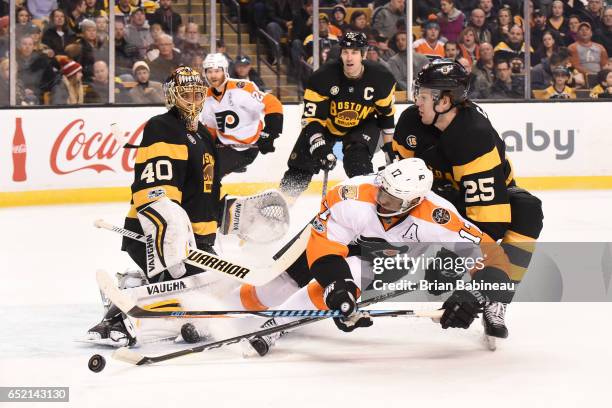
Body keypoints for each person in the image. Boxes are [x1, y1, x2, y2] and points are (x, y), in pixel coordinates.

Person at [242, 158, 514, 357]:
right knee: (302, 285)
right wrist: (337, 284)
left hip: (391, 259)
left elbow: (495, 260)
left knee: (341, 285)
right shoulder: (352, 196)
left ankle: (275, 323)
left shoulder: (439, 219)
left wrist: (473, 295)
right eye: (382, 191)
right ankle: (251, 302)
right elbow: (325, 246)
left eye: (392, 200)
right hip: (345, 241)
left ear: (414, 202)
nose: (382, 201)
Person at [391, 60, 543, 340]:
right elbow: (396, 180)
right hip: (434, 200)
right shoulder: (412, 121)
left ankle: (496, 296)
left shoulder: (474, 135)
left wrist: (456, 265)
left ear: (445, 101)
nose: (416, 101)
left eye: (423, 95)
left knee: (527, 210)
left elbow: (489, 224)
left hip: (482, 205)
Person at [85, 66, 220, 346]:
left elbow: (208, 192)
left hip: (195, 242)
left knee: (212, 289)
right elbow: (156, 197)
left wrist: (233, 215)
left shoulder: (205, 135)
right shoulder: (162, 127)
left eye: (198, 94)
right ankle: (113, 321)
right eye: (187, 95)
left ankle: (135, 283)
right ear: (172, 97)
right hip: (156, 233)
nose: (194, 101)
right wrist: (174, 243)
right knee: (182, 287)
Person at [278, 32, 397, 199]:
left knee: (358, 166)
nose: (349, 57)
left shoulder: (381, 78)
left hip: (362, 124)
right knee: (300, 169)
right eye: (346, 51)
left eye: (354, 52)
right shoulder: (323, 77)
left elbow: (386, 117)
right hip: (326, 125)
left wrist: (389, 149)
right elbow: (311, 119)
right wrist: (318, 144)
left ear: (363, 54)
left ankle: (367, 206)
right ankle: (278, 208)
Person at [201, 53, 283, 178]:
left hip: (247, 148)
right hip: (224, 146)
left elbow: (272, 103)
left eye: (217, 71)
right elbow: (211, 129)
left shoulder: (242, 88)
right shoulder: (205, 98)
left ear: (225, 71)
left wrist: (270, 133)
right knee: (198, 167)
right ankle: (213, 196)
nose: (213, 75)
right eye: (209, 71)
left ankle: (216, 196)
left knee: (209, 172)